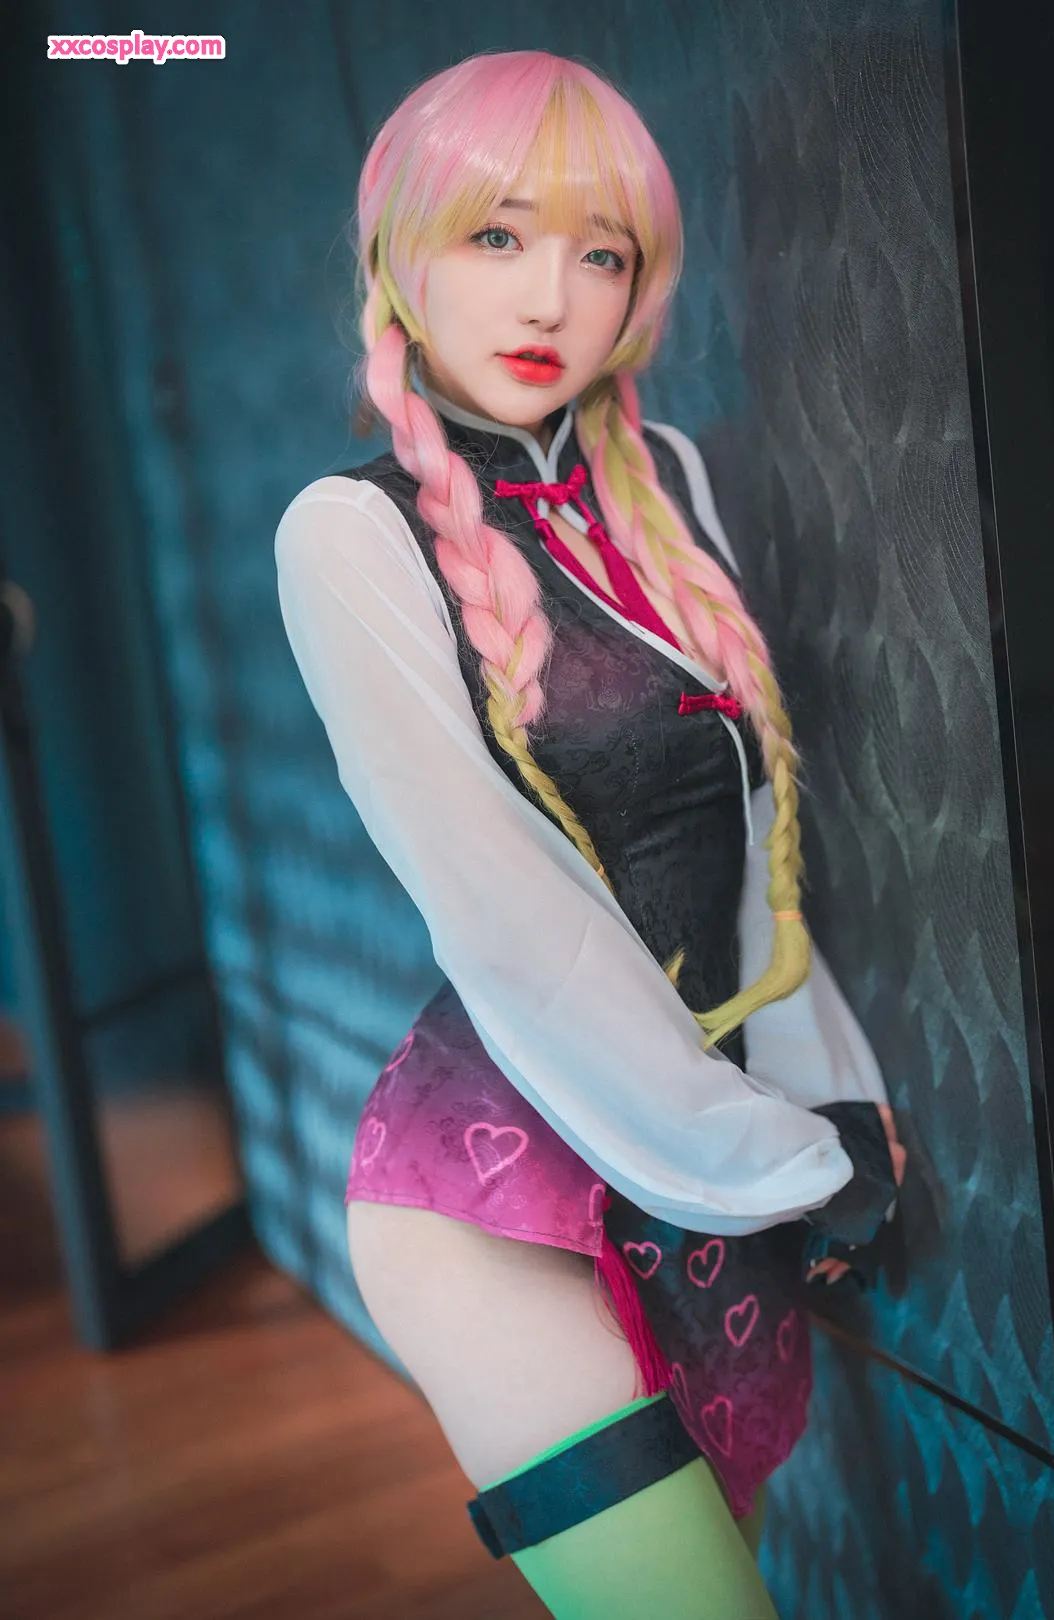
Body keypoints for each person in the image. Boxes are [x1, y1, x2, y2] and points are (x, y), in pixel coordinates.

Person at [275, 49, 906, 1619]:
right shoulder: (347, 532)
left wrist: (829, 1089)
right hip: (494, 1197)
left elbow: (752, 833)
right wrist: (777, 1153)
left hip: (708, 1171)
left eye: (601, 252)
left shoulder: (666, 480)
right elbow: (505, 913)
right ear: (401, 256)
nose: (550, 294)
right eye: (497, 235)